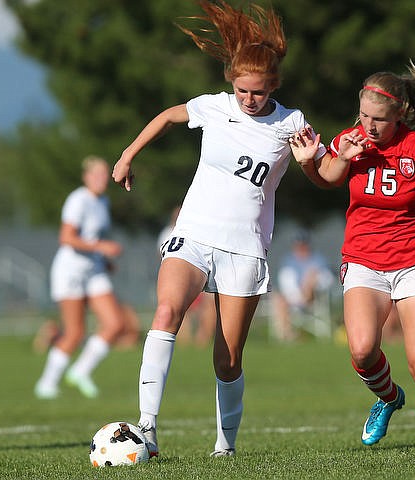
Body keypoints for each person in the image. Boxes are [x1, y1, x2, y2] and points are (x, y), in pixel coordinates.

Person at [111, 0, 327, 458]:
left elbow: (327, 176)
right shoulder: (214, 107)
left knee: (227, 360)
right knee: (167, 311)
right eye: (243, 90)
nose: (250, 99)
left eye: (259, 92)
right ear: (232, 82)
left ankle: (224, 446)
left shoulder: (291, 123)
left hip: (245, 250)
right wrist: (129, 154)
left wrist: (311, 164)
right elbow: (169, 116)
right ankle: (146, 429)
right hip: (193, 233)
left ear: (274, 86)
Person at [290, 63, 415, 452]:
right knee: (362, 351)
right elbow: (327, 179)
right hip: (363, 260)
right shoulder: (351, 138)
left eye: (378, 119)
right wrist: (316, 160)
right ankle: (388, 397)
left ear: (399, 115)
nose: (369, 125)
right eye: (363, 115)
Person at [34, 156, 126, 399]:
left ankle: (81, 371)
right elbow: (66, 237)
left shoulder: (103, 201)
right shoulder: (78, 199)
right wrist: (101, 248)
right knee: (75, 332)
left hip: (93, 269)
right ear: (86, 177)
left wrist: (104, 260)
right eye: (96, 174)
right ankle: (46, 383)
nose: (102, 179)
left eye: (105, 174)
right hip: (70, 270)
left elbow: (92, 236)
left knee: (116, 324)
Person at [157, 206, 215, 347]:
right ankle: (185, 343)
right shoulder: (168, 234)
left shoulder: (200, 231)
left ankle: (202, 341)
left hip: (202, 276)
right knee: (181, 310)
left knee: (209, 308)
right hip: (182, 278)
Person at [271, 229, 334, 341]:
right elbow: (285, 280)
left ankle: (302, 300)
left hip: (314, 296)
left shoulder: (318, 259)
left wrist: (312, 280)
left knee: (312, 275)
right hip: (294, 295)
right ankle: (287, 335)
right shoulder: (288, 260)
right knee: (278, 299)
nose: (301, 248)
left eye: (303, 245)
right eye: (298, 246)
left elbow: (327, 278)